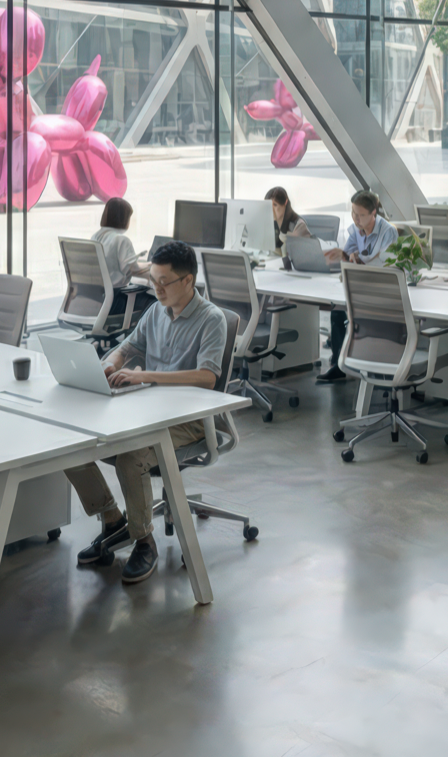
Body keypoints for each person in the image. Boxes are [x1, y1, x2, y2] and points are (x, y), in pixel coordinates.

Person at [66, 240, 229, 587]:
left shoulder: (211, 319)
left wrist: (145, 376)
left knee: (131, 456)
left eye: (163, 282)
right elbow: (127, 348)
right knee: (71, 444)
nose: (156, 288)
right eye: (152, 280)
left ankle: (143, 541)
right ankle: (112, 520)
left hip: (189, 421)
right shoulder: (156, 311)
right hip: (147, 410)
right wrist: (109, 364)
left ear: (188, 281)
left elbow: (207, 377)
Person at [318, 188, 396, 383]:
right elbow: (348, 255)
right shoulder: (355, 231)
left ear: (373, 213)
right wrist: (348, 256)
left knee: (355, 313)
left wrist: (358, 258)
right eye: (353, 213)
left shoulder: (388, 232)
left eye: (361, 215)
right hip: (360, 284)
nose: (356, 219)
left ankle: (365, 360)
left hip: (381, 287)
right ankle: (339, 364)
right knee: (337, 310)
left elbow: (385, 263)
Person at [92, 196, 149, 287]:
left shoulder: (95, 236)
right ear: (124, 219)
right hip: (117, 292)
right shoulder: (122, 240)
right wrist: (151, 265)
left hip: (99, 292)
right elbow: (134, 270)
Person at [264, 185, 313, 258]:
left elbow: (291, 253)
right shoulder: (268, 223)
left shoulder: (298, 226)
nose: (271, 209)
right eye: (268, 205)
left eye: (275, 205)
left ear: (285, 203)